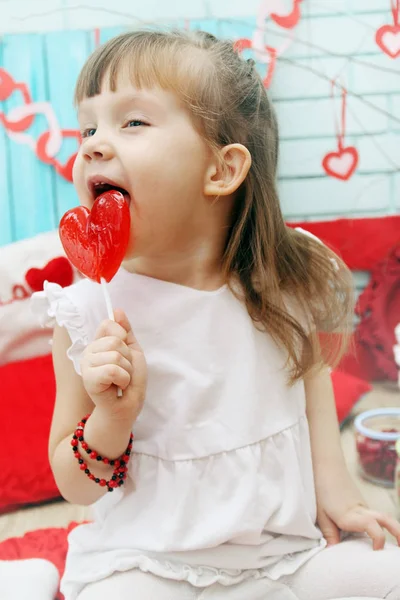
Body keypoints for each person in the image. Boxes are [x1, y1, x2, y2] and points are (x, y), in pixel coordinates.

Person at [32, 29, 400, 600]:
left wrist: (340, 495)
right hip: (145, 562)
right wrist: (111, 419)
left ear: (221, 171)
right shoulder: (86, 317)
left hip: (282, 555)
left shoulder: (282, 281)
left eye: (132, 122)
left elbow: (311, 382)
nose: (93, 146)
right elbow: (74, 486)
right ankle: (30, 579)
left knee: (385, 576)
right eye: (88, 127)